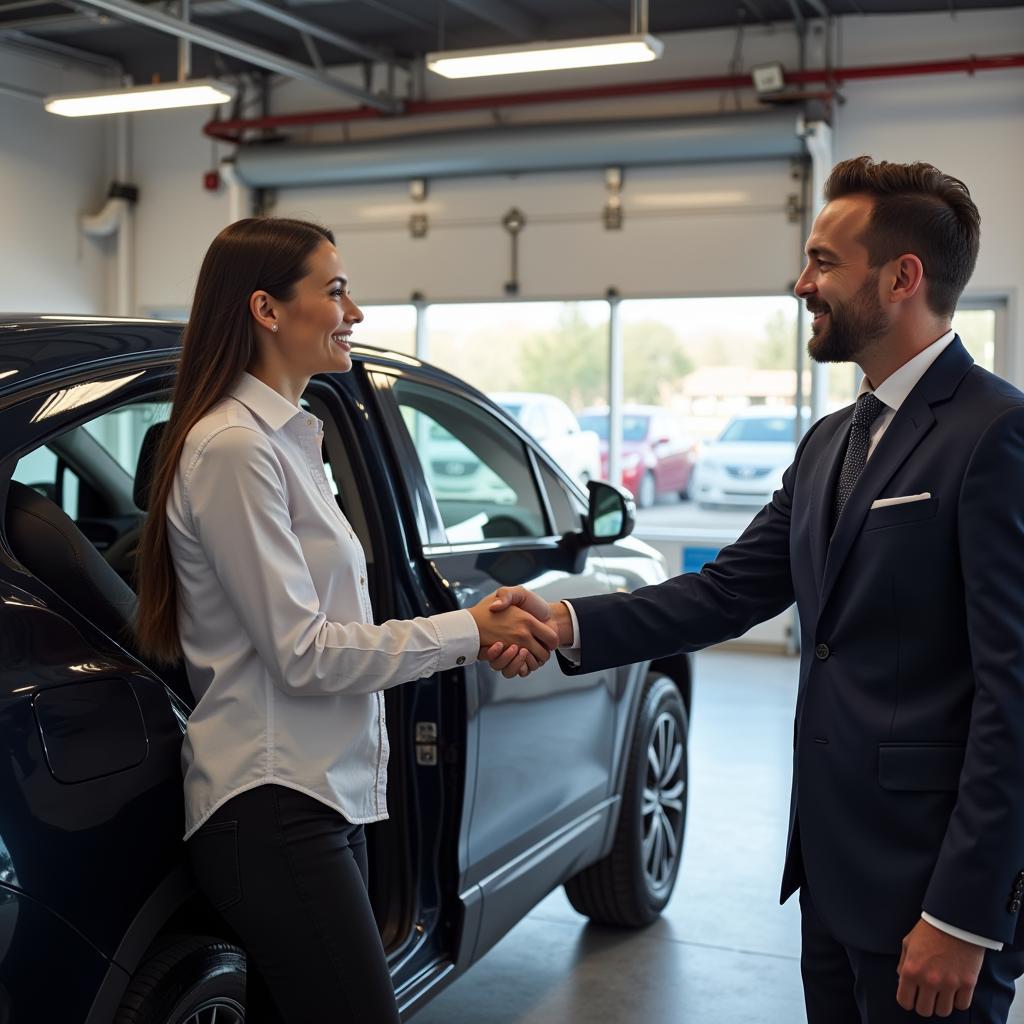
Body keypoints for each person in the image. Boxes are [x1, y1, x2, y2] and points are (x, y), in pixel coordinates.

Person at [489, 156, 1024, 1023]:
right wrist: (563, 622)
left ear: (902, 277)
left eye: (822, 261)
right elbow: (726, 593)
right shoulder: (829, 443)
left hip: (931, 894)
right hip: (831, 875)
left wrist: (966, 912)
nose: (802, 282)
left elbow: (1016, 694)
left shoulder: (995, 433)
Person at [134, 217, 556, 1022]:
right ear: (265, 308)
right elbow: (304, 654)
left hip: (320, 798)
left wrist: (473, 629)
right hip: (272, 806)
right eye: (334, 291)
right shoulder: (234, 449)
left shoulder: (292, 440)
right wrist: (469, 630)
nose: (353, 311)